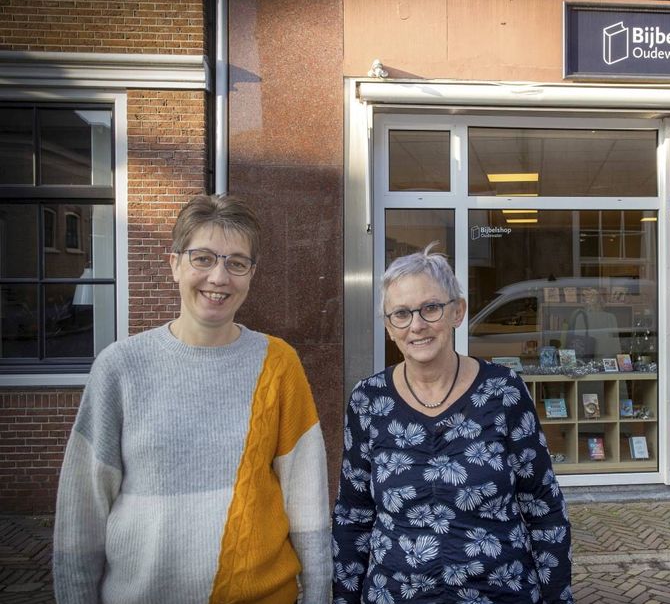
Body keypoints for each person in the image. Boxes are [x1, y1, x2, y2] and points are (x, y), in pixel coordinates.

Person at [53, 194, 332, 603]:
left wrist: (319, 594)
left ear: (251, 274)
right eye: (203, 258)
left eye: (236, 262)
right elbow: (82, 514)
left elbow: (307, 501)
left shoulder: (278, 364)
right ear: (174, 264)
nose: (219, 277)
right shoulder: (120, 367)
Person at [332, 242, 573, 604]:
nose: (417, 325)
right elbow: (354, 516)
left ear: (457, 311)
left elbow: (543, 506)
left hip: (500, 593)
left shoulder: (503, 391)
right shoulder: (369, 401)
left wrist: (557, 598)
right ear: (388, 325)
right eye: (401, 313)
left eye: (430, 308)